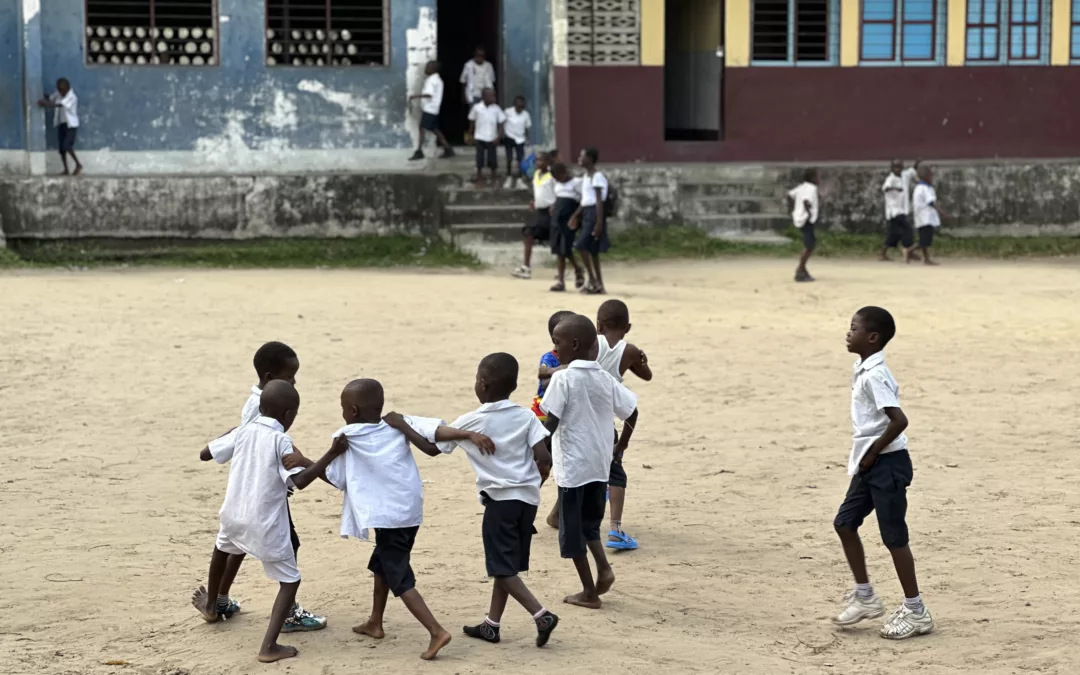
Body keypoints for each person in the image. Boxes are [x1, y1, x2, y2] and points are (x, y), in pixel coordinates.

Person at [190, 381, 347, 663]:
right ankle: (268, 647)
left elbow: (205, 454)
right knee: (290, 581)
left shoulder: (244, 431)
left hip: (233, 516)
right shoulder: (281, 440)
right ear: (289, 415)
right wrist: (330, 454)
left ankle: (212, 606)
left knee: (221, 549)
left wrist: (230, 434)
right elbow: (299, 480)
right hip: (265, 524)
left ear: (260, 407)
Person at [313, 379, 453, 660]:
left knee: (399, 576)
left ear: (351, 411)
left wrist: (308, 462)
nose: (342, 414)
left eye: (343, 408)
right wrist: (402, 425)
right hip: (408, 511)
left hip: (388, 518)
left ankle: (436, 631)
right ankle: (375, 622)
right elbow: (434, 448)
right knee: (382, 565)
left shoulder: (347, 435)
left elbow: (338, 480)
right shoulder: (396, 425)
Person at [198, 341, 326, 633]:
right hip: (264, 492)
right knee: (288, 548)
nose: (294, 381)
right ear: (270, 378)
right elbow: (276, 443)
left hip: (245, 493)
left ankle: (217, 601)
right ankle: (289, 615)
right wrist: (295, 467)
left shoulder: (258, 398)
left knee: (234, 544)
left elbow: (237, 440)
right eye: (290, 376)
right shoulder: (264, 407)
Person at [435, 353, 560, 646]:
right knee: (507, 565)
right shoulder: (526, 416)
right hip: (527, 501)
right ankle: (492, 624)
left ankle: (541, 615)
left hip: (500, 502)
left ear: (483, 383)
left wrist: (464, 434)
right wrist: (529, 488)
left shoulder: (472, 420)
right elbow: (544, 459)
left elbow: (435, 444)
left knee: (500, 567)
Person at [832, 307, 934, 639]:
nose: (848, 333)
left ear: (872, 337)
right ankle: (865, 596)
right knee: (845, 523)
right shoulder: (863, 367)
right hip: (870, 462)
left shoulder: (875, 375)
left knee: (894, 538)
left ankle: (916, 611)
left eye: (853, 328)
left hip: (886, 463)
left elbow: (899, 420)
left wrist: (874, 451)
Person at [540, 314, 638, 609]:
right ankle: (604, 569)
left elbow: (551, 423)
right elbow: (631, 412)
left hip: (573, 468)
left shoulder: (563, 378)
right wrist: (621, 445)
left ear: (573, 344)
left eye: (557, 344)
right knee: (589, 526)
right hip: (599, 466)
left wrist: (537, 450)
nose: (554, 350)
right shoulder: (605, 378)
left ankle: (588, 591)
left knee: (572, 536)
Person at [594, 300, 652, 551]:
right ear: (627, 327)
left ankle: (561, 517)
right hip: (604, 423)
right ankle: (615, 529)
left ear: (598, 324)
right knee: (615, 472)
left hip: (577, 419)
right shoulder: (628, 350)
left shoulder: (589, 344)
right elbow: (647, 375)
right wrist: (641, 358)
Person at [571, 148, 610, 295]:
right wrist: (575, 215)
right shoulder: (586, 176)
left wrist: (599, 222)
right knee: (592, 250)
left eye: (583, 156)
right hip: (588, 212)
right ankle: (599, 284)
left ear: (591, 159)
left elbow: (598, 201)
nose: (579, 158)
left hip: (595, 213)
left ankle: (593, 280)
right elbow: (585, 200)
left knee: (581, 245)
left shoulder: (597, 176)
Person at [512, 149, 556, 280]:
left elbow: (559, 191)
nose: (538, 162)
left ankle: (568, 267)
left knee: (557, 240)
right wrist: (534, 202)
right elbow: (539, 192)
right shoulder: (536, 174)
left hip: (550, 211)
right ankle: (526, 267)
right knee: (529, 233)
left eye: (541, 160)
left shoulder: (553, 176)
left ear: (547, 162)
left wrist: (555, 204)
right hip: (540, 211)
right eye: (536, 160)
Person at [550, 162, 586, 292]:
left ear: (564, 173)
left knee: (566, 248)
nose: (557, 180)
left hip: (569, 219)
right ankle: (561, 280)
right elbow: (559, 197)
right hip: (557, 220)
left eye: (558, 176)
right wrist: (554, 205)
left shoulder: (577, 183)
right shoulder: (558, 184)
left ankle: (577, 269)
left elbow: (584, 200)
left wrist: (576, 216)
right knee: (559, 250)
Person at [408, 60, 453, 161]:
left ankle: (419, 151)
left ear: (433, 69)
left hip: (430, 108)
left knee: (422, 128)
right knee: (434, 129)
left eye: (428, 67)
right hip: (433, 108)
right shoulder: (437, 79)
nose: (426, 69)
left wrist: (415, 96)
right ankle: (448, 148)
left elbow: (429, 94)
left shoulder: (432, 80)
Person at [37, 78, 82, 176]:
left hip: (71, 126)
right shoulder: (59, 93)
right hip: (62, 124)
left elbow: (60, 105)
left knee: (67, 146)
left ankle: (78, 165)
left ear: (68, 88)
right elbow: (51, 97)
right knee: (62, 150)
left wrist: (47, 104)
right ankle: (66, 169)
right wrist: (42, 94)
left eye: (62, 90)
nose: (60, 92)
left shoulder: (72, 97)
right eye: (59, 89)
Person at [880, 160, 918, 262]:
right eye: (896, 167)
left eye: (900, 167)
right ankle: (909, 250)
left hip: (903, 209)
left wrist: (917, 162)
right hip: (894, 210)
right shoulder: (890, 178)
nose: (898, 169)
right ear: (892, 168)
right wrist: (896, 188)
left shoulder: (904, 175)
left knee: (893, 234)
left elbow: (912, 170)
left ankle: (883, 254)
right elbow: (885, 188)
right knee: (908, 229)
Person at [468, 88, 506, 188]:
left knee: (492, 159)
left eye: (494, 95)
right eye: (491, 96)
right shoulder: (477, 108)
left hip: (492, 137)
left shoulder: (496, 108)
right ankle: (479, 178)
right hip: (480, 137)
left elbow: (501, 123)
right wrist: (470, 135)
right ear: (484, 97)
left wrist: (499, 136)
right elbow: (472, 121)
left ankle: (494, 178)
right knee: (479, 159)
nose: (493, 98)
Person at [787, 168, 819, 282]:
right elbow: (806, 201)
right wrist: (809, 214)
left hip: (799, 218)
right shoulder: (812, 188)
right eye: (816, 176)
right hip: (806, 220)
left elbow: (789, 195)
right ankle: (800, 270)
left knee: (810, 243)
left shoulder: (802, 187)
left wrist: (791, 210)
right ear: (812, 178)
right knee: (809, 246)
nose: (818, 179)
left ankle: (803, 268)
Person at [912, 165, 946, 266]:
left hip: (922, 217)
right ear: (926, 177)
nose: (932, 178)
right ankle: (910, 251)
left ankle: (925, 258)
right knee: (925, 239)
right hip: (925, 217)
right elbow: (931, 202)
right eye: (930, 176)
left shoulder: (920, 187)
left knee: (925, 239)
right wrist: (941, 212)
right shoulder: (924, 188)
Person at [502, 95, 532, 188]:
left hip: (520, 139)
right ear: (514, 105)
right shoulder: (507, 112)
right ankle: (509, 177)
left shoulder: (526, 114)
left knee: (520, 159)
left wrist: (527, 139)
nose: (520, 109)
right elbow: (501, 123)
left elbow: (527, 127)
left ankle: (519, 179)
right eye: (518, 106)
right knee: (509, 158)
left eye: (522, 107)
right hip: (509, 137)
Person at [460, 46, 496, 111]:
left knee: (486, 114)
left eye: (482, 56)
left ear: (484, 57)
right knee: (473, 115)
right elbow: (463, 81)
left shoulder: (489, 66)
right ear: (474, 55)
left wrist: (493, 96)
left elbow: (492, 81)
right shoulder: (468, 65)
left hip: (486, 96)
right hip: (473, 95)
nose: (480, 58)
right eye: (478, 55)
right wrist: (463, 96)